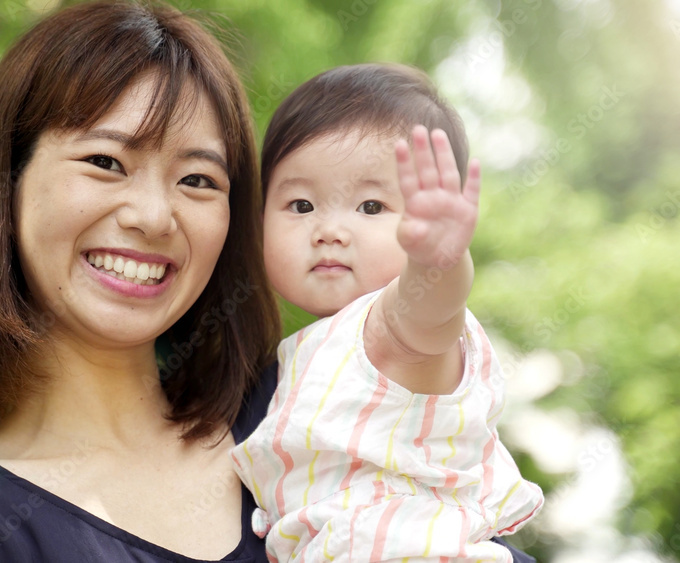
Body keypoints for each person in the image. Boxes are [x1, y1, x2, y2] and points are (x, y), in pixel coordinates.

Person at [0, 2, 284, 561]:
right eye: (105, 161)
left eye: (198, 179)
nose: (153, 216)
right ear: (7, 182)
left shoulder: (301, 421)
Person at [231, 64, 544, 561]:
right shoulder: (292, 362)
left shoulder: (385, 332)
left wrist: (436, 263)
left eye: (372, 207)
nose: (329, 230)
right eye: (301, 205)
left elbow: (428, 315)